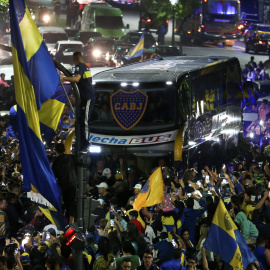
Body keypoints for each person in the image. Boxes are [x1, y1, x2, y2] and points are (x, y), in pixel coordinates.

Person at [60, 52, 95, 152]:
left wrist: (63, 78)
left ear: (74, 59)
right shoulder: (84, 67)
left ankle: (86, 144)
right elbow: (74, 75)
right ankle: (81, 142)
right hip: (84, 99)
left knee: (84, 121)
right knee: (80, 121)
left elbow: (76, 79)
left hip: (88, 98)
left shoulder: (80, 66)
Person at [52, 143, 77, 223]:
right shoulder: (71, 157)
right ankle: (72, 220)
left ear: (56, 151)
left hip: (63, 185)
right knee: (72, 202)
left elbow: (54, 174)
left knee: (66, 203)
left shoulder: (56, 161)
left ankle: (67, 220)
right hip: (73, 183)